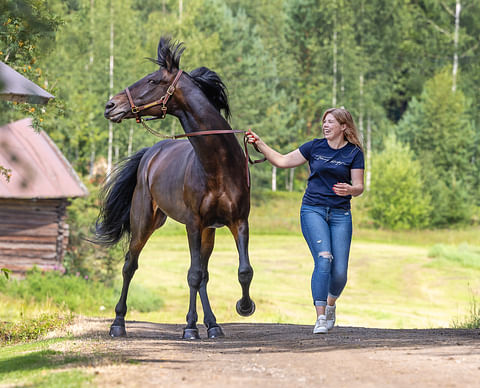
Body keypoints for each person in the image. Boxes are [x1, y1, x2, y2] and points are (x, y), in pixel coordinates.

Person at [246, 107, 364, 334]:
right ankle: (320, 318)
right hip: (313, 210)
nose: (326, 125)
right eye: (324, 121)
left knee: (340, 273)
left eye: (331, 122)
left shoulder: (354, 152)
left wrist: (351, 188)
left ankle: (330, 305)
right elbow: (281, 161)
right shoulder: (314, 147)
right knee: (324, 259)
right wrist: (259, 144)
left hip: (341, 214)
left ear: (344, 127)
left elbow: (359, 187)